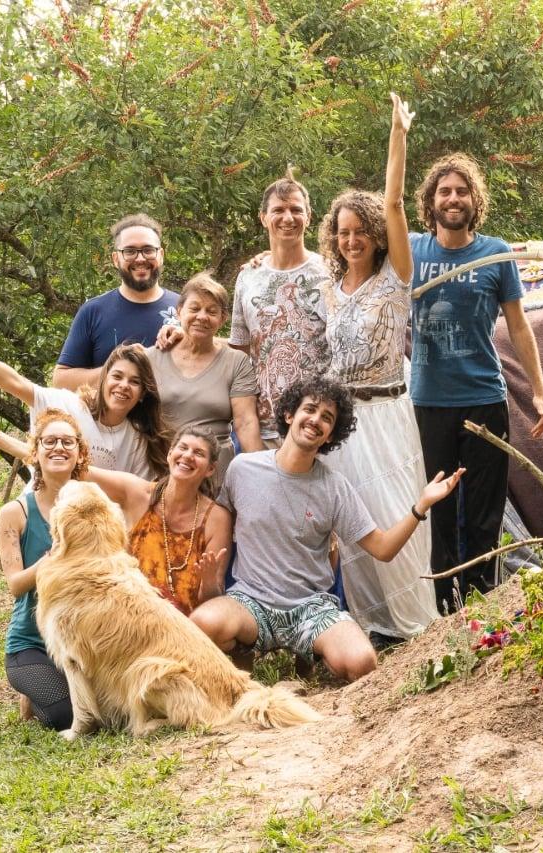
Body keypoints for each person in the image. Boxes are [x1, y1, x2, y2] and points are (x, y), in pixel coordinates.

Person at [189, 375, 463, 682]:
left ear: (331, 435)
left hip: (311, 609)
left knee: (362, 663)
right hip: (251, 601)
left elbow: (383, 549)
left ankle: (311, 653)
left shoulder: (334, 487)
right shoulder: (243, 469)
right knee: (201, 624)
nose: (315, 420)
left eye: (327, 418)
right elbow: (218, 520)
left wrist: (421, 505)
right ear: (290, 414)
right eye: (310, 409)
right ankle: (245, 650)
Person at [313, 93, 439, 640]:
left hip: (387, 412)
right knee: (354, 519)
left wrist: (398, 136)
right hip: (344, 423)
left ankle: (418, 627)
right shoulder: (329, 289)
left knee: (396, 514)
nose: (351, 238)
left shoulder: (397, 277)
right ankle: (373, 628)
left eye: (359, 228)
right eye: (342, 231)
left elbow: (395, 206)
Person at [410, 153, 543, 613]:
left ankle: (480, 603)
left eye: (462, 190)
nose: (453, 199)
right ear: (430, 200)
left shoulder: (496, 253)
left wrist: (539, 389)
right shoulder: (412, 250)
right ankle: (445, 608)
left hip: (484, 397)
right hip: (431, 402)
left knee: (485, 511)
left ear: (475, 200)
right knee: (441, 508)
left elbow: (519, 325)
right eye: (444, 191)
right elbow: (362, 234)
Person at [0, 414, 232, 617]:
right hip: (133, 614)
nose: (187, 456)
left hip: (189, 622)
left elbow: (213, 597)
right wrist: (0, 440)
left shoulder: (216, 517)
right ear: (170, 454)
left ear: (210, 468)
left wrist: (208, 581)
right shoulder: (136, 492)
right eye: (182, 448)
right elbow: (66, 464)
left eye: (199, 453)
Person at [0, 316, 167, 478]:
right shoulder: (69, 406)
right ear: (103, 380)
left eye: (134, 382)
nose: (123, 386)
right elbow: (14, 383)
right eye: (117, 377)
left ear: (143, 393)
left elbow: (135, 494)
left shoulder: (137, 438)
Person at [225, 169, 333, 448]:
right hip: (265, 429)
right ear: (263, 218)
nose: (288, 218)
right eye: (278, 210)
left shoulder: (330, 273)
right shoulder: (248, 276)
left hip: (317, 427)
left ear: (308, 216)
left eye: (296, 210)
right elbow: (239, 352)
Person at [0, 409, 88, 730]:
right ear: (34, 453)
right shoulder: (15, 513)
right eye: (49, 441)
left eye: (67, 442)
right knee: (68, 717)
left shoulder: (92, 507)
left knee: (112, 711)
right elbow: (16, 585)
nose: (58, 448)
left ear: (80, 454)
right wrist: (50, 561)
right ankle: (32, 692)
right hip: (32, 644)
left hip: (83, 642)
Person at [145, 273, 262, 485]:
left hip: (214, 471)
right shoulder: (152, 357)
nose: (202, 316)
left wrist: (263, 473)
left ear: (223, 319)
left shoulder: (236, 362)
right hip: (161, 467)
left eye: (211, 311)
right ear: (179, 311)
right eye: (194, 308)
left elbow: (245, 422)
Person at [52, 213, 179, 391]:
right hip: (109, 418)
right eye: (130, 251)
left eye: (148, 250)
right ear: (115, 259)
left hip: (173, 418)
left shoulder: (186, 309)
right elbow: (61, 381)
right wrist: (117, 368)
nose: (140, 258)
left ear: (161, 255)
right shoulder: (93, 311)